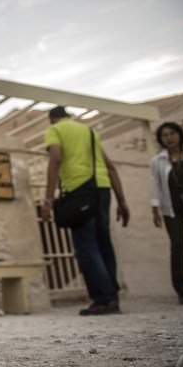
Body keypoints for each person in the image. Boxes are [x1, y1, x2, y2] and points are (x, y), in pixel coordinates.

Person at [41, 105, 130, 316]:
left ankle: (103, 299)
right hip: (102, 190)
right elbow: (110, 167)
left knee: (86, 245)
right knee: (103, 242)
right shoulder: (89, 131)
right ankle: (112, 296)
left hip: (80, 191)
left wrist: (48, 199)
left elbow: (56, 159)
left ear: (52, 120)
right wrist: (122, 201)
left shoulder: (55, 130)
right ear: (68, 116)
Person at [149, 122, 183, 305]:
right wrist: (155, 208)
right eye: (165, 135)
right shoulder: (157, 161)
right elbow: (154, 185)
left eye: (172, 133)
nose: (169, 138)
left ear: (179, 135)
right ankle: (182, 291)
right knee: (178, 246)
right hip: (171, 208)